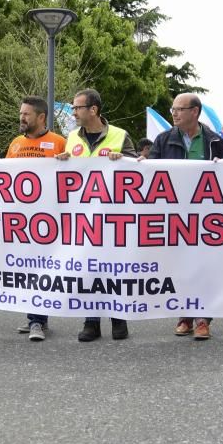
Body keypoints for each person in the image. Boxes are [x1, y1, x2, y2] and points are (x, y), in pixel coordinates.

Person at [56, 88, 138, 342]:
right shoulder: (71, 137)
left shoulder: (119, 136)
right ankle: (90, 322)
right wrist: (62, 161)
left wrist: (122, 160)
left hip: (112, 216)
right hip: (82, 217)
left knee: (113, 268)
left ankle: (118, 318)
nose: (74, 112)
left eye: (78, 107)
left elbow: (137, 170)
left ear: (93, 109)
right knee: (87, 268)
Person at [147, 93, 223, 340]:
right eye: (173, 109)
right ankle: (185, 315)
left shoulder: (214, 141)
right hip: (174, 216)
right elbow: (151, 172)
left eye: (179, 109)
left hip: (206, 216)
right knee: (180, 266)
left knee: (205, 267)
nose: (174, 113)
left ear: (195, 112)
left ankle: (204, 318)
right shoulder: (163, 140)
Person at [6, 96, 67, 341]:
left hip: (48, 220)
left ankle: (37, 320)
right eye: (21, 113)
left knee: (41, 269)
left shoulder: (59, 142)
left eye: (26, 114)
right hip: (21, 220)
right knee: (28, 270)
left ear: (41, 117)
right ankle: (35, 316)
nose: (21, 118)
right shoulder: (16, 144)